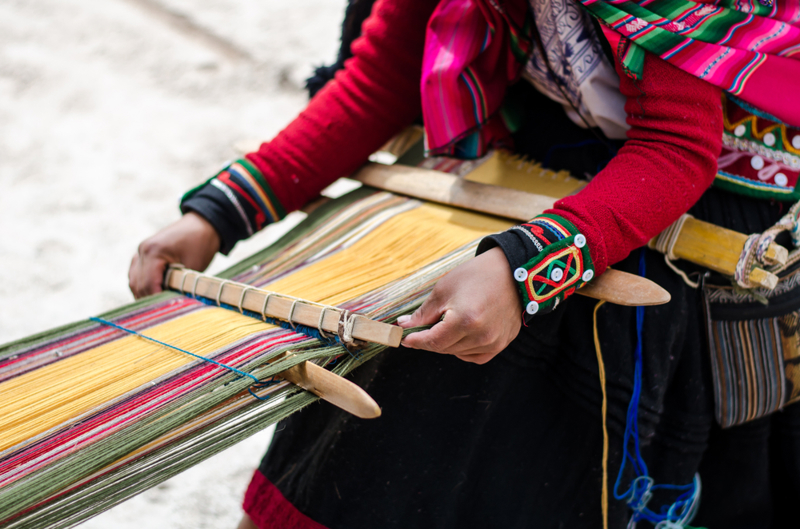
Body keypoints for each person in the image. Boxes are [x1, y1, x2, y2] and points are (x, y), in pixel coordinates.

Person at [129, 0, 800, 527]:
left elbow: (676, 148)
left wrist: (524, 268)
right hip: (549, 135)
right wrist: (219, 212)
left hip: (713, 181)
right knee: (401, 345)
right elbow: (379, 80)